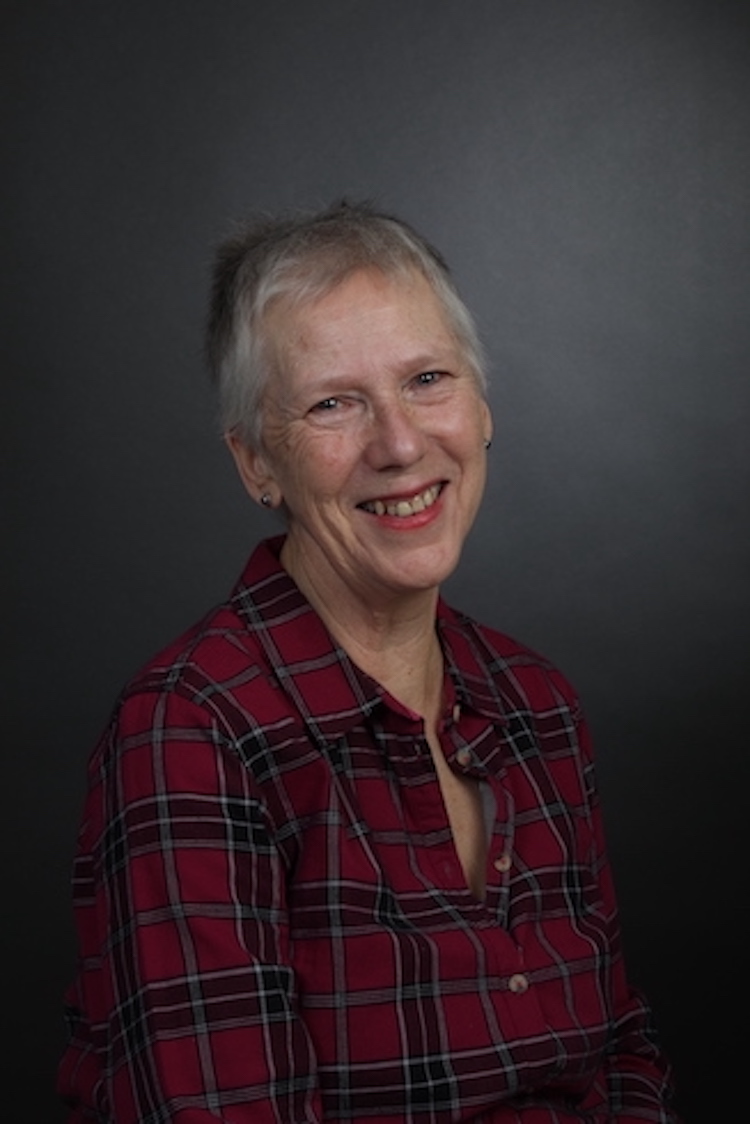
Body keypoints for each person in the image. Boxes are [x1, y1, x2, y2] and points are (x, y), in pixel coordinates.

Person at [59, 201, 679, 1122]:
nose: (399, 444)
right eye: (332, 404)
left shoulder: (538, 704)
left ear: (481, 406)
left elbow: (622, 1052)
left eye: (427, 379)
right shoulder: (190, 734)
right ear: (256, 462)